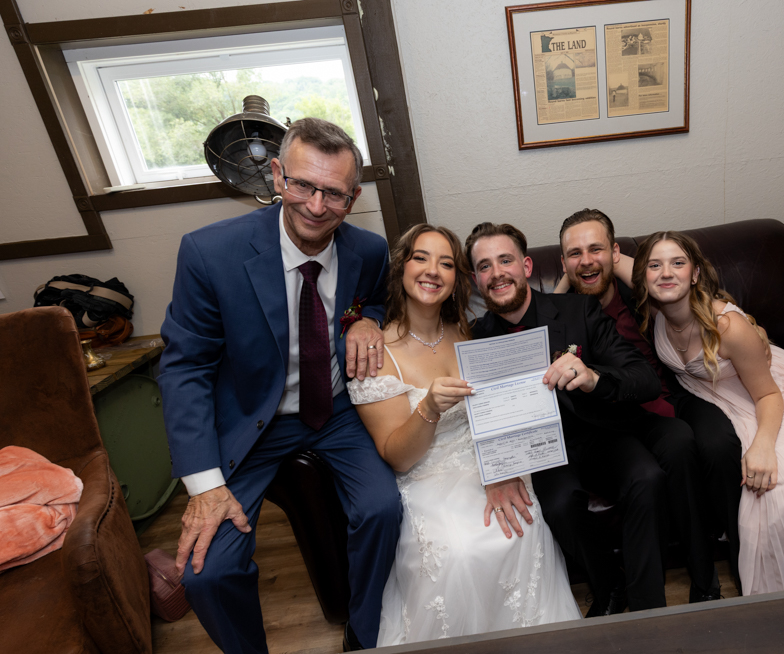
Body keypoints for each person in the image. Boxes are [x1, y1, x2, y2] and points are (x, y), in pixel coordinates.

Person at [158, 118, 401, 653]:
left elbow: (378, 300)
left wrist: (368, 320)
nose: (316, 205)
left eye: (333, 193)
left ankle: (364, 634)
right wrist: (204, 486)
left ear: (353, 198)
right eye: (302, 184)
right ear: (276, 175)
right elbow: (184, 368)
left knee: (383, 510)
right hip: (250, 421)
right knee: (207, 573)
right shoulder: (209, 253)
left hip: (337, 413)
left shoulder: (369, 251)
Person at [466, 222, 719, 616]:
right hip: (543, 452)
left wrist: (592, 377)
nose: (497, 273)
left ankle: (648, 611)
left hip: (602, 433)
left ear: (526, 266)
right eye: (485, 266)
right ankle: (610, 587)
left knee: (647, 477)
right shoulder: (475, 339)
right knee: (559, 505)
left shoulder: (578, 310)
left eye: (505, 261)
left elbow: (643, 377)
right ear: (475, 280)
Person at [347, 225, 581, 645]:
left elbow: (499, 410)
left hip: (484, 462)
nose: (432, 270)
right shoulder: (377, 352)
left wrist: (502, 468)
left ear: (457, 279)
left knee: (524, 527)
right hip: (427, 475)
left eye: (446, 263)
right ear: (401, 268)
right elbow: (398, 457)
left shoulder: (469, 333)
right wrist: (429, 408)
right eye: (421, 258)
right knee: (462, 550)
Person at [628, 231, 784, 594]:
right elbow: (610, 259)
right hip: (725, 399)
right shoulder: (656, 307)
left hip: (775, 395)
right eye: (655, 265)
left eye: (678, 263)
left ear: (695, 273)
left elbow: (768, 394)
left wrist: (763, 446)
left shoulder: (728, 327)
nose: (666, 273)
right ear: (644, 276)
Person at [556, 209, 743, 592]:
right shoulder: (566, 315)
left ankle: (730, 565)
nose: (587, 260)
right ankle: (702, 580)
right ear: (564, 263)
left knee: (716, 442)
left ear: (615, 253)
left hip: (673, 395)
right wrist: (567, 279)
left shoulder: (641, 292)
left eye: (596, 249)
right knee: (676, 444)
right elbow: (543, 317)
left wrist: (593, 262)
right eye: (575, 254)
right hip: (615, 420)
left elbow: (668, 280)